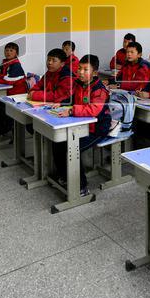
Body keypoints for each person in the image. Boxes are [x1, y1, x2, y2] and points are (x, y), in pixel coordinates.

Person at [49, 55, 110, 196]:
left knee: (72, 148)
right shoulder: (79, 83)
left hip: (97, 129)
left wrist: (71, 110)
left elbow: (94, 109)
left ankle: (81, 187)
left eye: (85, 69)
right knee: (57, 143)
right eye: (79, 68)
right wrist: (62, 103)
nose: (81, 72)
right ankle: (65, 177)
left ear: (95, 73)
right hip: (81, 126)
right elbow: (71, 98)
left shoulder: (99, 89)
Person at [0, 42, 26, 136]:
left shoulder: (16, 65)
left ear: (16, 53)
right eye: (7, 50)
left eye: (11, 50)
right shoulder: (5, 62)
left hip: (15, 95)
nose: (8, 52)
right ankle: (2, 128)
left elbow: (8, 80)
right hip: (6, 92)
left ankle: (2, 129)